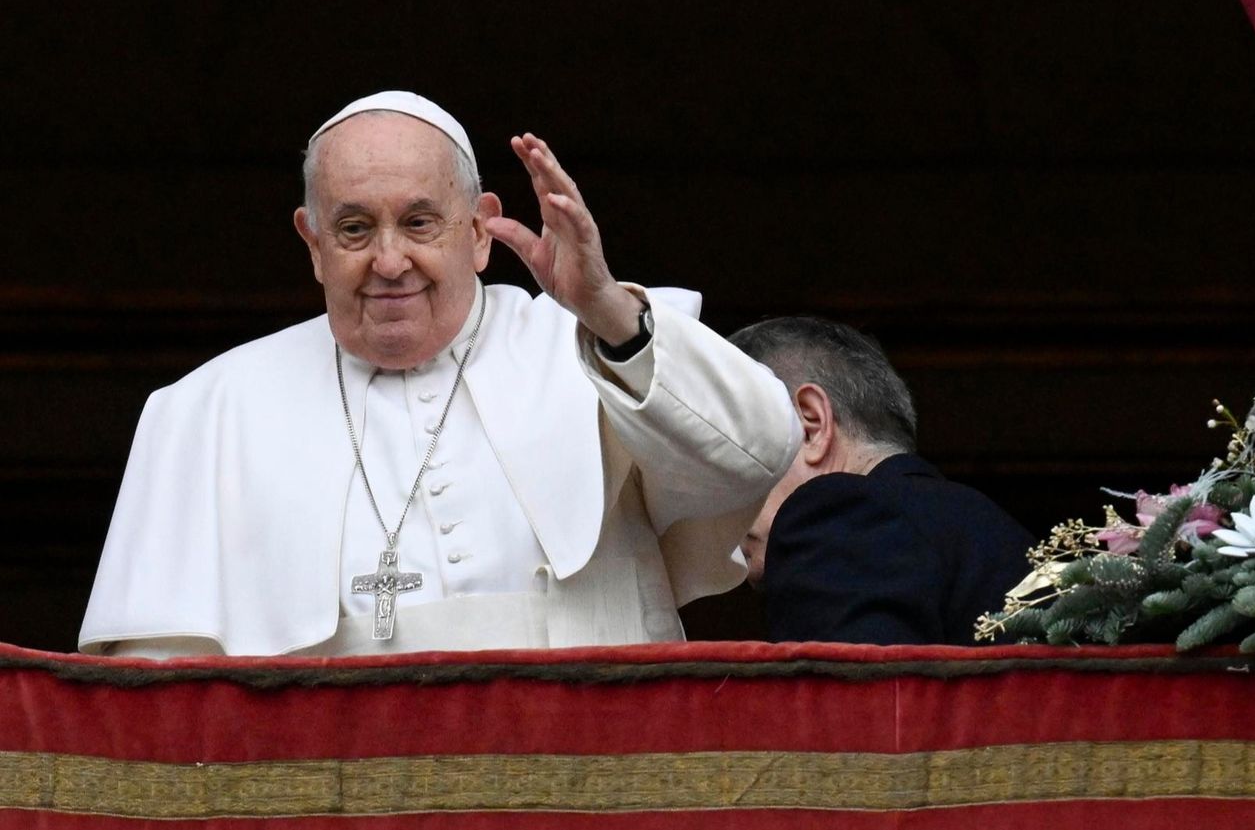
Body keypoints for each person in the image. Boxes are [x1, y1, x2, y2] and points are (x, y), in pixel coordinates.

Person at [79, 91, 799, 657]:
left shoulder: (593, 345)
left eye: (420, 223)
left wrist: (608, 308)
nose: (389, 262)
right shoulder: (212, 409)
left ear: (482, 229)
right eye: (355, 229)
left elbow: (761, 451)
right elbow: (157, 688)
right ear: (313, 242)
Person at [729, 317, 1033, 645]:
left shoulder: (840, 522)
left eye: (729, 458)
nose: (718, 512)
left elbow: (850, 697)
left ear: (810, 427)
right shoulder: (994, 531)